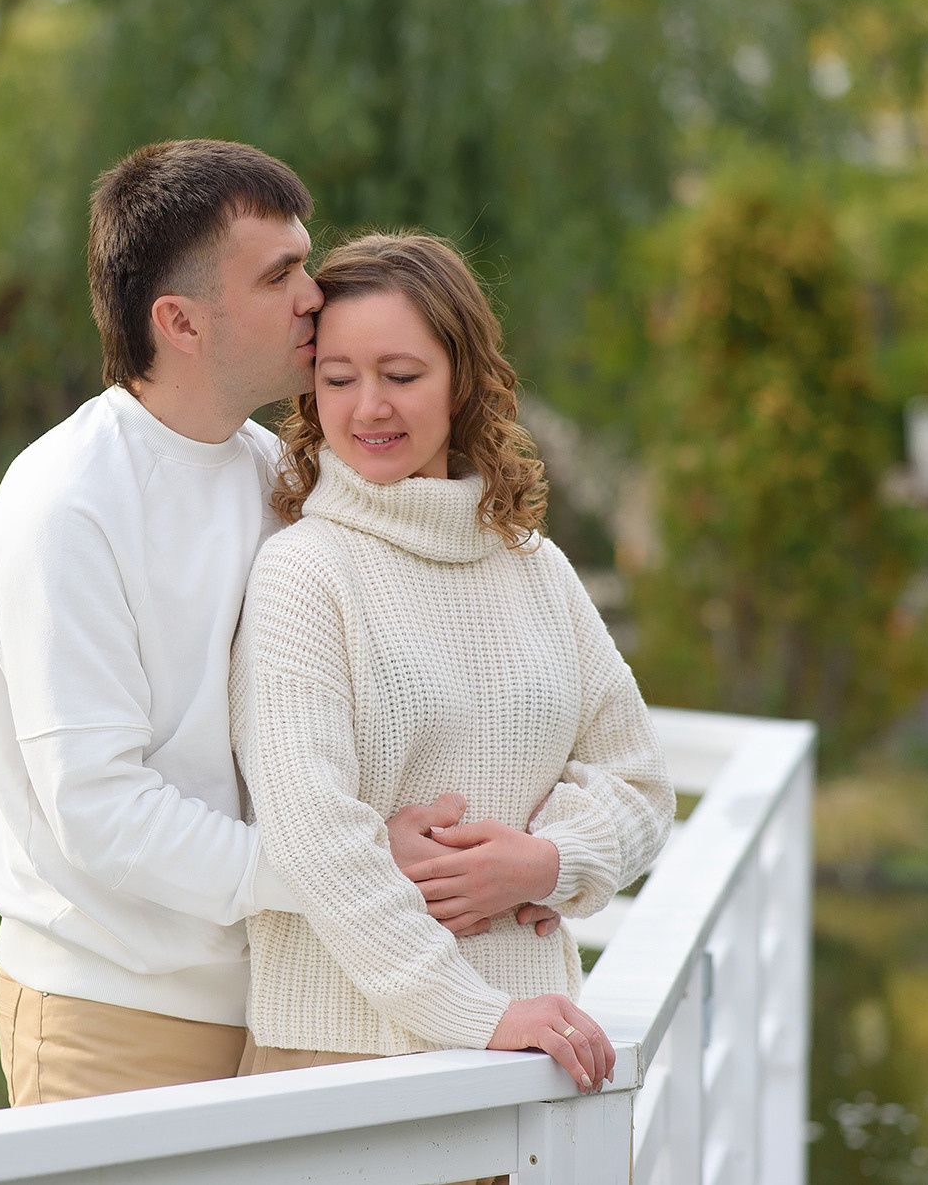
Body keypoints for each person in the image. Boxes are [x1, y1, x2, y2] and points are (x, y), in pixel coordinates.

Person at [0, 142, 507, 1107]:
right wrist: (354, 864)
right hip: (118, 1013)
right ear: (180, 321)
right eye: (280, 274)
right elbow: (101, 813)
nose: (315, 293)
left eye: (307, 259)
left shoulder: (280, 475)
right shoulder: (67, 508)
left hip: (291, 1002)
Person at [231, 232, 675, 1105]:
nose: (368, 408)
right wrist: (475, 1014)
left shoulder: (535, 568)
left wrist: (545, 863)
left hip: (533, 1059)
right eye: (338, 378)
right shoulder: (303, 574)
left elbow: (642, 784)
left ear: (462, 380)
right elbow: (317, 841)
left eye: (401, 375)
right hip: (347, 1068)